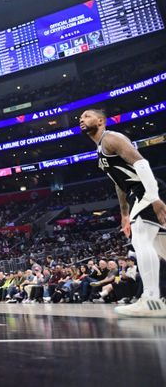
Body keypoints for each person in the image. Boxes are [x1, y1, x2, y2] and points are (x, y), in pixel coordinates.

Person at [79, 108, 166, 316]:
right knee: (162, 249)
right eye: (80, 118)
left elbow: (141, 163)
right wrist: (124, 214)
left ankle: (152, 299)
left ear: (101, 121)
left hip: (146, 190)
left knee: (141, 240)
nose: (81, 119)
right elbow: (120, 185)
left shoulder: (111, 138)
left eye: (87, 116)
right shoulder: (101, 150)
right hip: (137, 193)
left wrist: (154, 197)